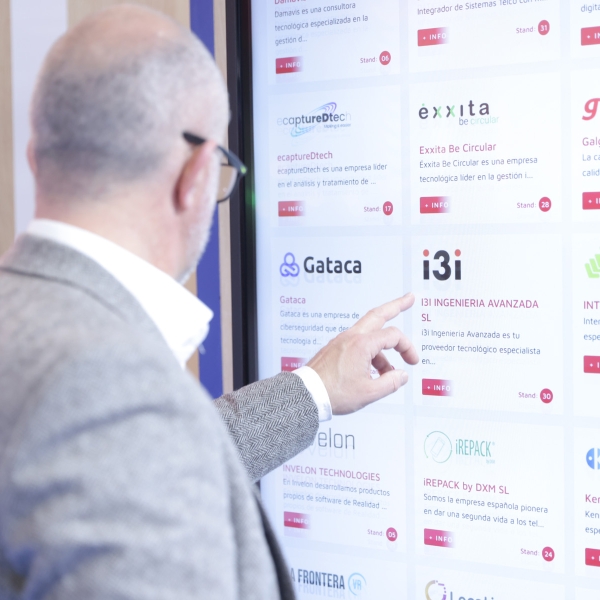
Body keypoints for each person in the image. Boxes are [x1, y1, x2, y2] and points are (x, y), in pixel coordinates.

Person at [0, 5, 418, 599]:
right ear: (197, 174)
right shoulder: (111, 383)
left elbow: (147, 468)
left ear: (36, 157)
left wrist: (315, 390)